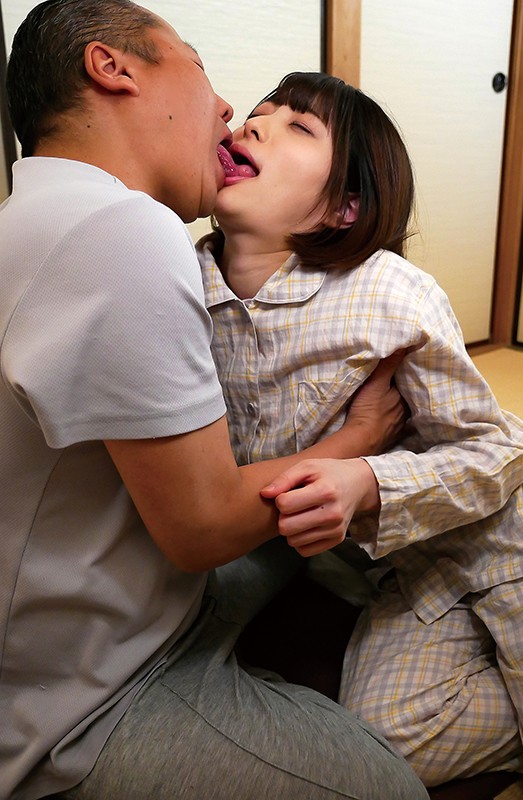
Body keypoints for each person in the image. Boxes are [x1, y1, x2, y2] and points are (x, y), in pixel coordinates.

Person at [0, 2, 432, 799]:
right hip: (84, 701)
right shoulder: (125, 230)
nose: (234, 112)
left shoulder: (31, 214)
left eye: (297, 126)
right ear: (113, 68)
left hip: (136, 585)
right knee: (391, 787)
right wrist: (359, 438)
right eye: (199, 67)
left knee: (308, 565)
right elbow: (202, 527)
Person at [198, 71, 523, 787]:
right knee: (385, 749)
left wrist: (366, 480)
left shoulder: (387, 292)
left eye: (297, 126)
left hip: (505, 541)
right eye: (257, 112)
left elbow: (496, 450)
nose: (253, 124)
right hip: (398, 572)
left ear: (342, 207)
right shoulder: (182, 292)